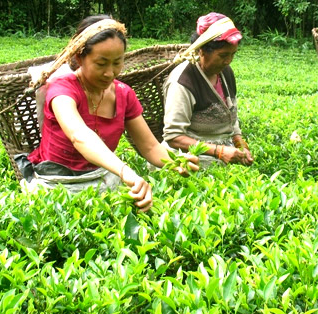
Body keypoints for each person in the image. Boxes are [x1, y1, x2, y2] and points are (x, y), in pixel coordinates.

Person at [20, 15, 198, 211]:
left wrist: (175, 162)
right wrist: (125, 171)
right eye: (101, 63)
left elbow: (149, 147)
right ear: (80, 58)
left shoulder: (123, 94)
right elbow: (79, 136)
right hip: (58, 182)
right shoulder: (63, 90)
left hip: (103, 177)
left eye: (117, 62)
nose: (110, 73)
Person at [162, 12, 254, 167]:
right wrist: (219, 151)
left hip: (223, 147)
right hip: (191, 154)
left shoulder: (226, 72)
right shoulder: (182, 81)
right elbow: (174, 137)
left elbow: (232, 115)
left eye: (233, 55)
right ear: (202, 50)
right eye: (223, 55)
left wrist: (239, 143)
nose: (228, 61)